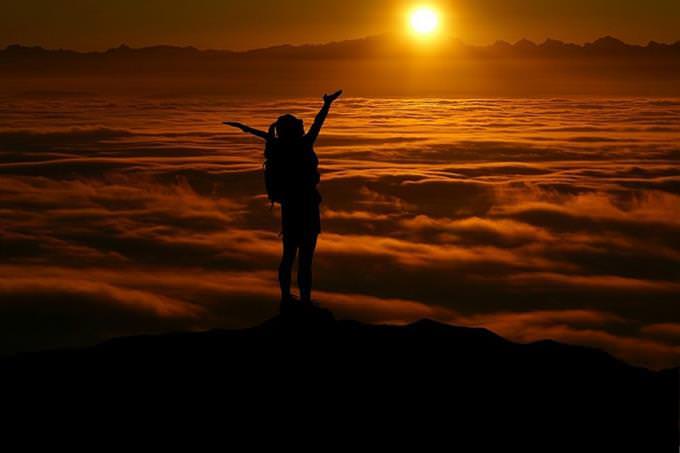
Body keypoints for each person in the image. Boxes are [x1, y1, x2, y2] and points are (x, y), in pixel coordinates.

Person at [224, 90, 342, 309]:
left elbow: (266, 137)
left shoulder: (278, 148)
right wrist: (327, 105)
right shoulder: (304, 144)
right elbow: (318, 123)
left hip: (290, 208)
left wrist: (246, 128)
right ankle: (305, 301)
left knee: (288, 255)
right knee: (305, 259)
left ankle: (286, 298)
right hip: (307, 206)